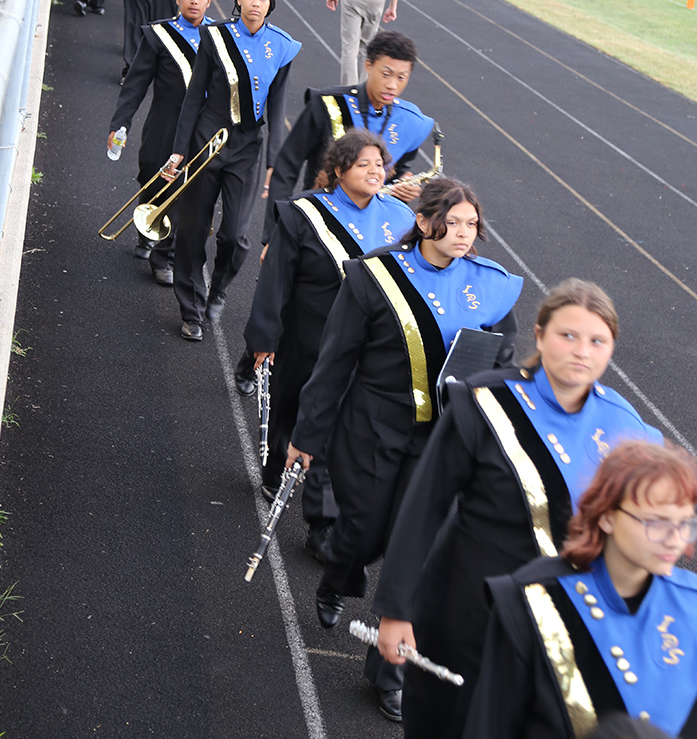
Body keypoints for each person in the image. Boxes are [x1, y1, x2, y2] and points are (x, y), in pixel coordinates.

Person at [373, 279, 663, 735]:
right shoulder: (483, 400)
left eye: (596, 341)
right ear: (540, 334)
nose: (581, 351)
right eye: (568, 335)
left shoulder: (627, 426)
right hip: (467, 610)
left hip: (561, 626)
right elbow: (424, 507)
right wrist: (396, 610)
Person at [287, 177, 523, 722]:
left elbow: (507, 360)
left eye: (471, 225)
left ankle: (389, 672)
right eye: (453, 223)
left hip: (442, 441)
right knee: (365, 532)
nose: (464, 234)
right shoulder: (373, 278)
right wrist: (307, 435)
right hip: (372, 429)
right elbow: (335, 360)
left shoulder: (490, 285)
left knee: (416, 553)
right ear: (423, 222)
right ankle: (338, 570)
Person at [244, 129, 415, 548]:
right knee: (290, 406)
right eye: (364, 164)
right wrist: (264, 336)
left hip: (362, 343)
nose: (376, 171)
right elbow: (276, 278)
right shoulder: (305, 212)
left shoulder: (399, 217)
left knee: (341, 424)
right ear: (339, 171)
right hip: (306, 331)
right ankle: (274, 467)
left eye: (380, 165)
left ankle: (321, 520)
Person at [463, 441, 697, 739]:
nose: (675, 539)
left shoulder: (691, 604)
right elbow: (492, 724)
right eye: (657, 522)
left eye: (685, 524)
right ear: (606, 515)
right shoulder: (535, 596)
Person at [162, 0, 301, 342]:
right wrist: (179, 149)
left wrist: (275, 162)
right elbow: (194, 97)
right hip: (207, 141)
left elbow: (278, 107)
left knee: (236, 237)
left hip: (247, 149)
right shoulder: (215, 37)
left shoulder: (282, 47)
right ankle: (191, 311)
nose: (255, 3)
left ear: (270, 4)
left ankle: (218, 289)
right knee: (192, 230)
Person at [262, 30, 436, 246]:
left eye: (401, 77)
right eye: (386, 74)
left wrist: (404, 188)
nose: (393, 85)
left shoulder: (411, 123)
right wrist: (274, 235)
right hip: (317, 227)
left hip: (371, 237)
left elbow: (396, 176)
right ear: (368, 65)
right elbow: (287, 167)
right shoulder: (328, 104)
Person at [107, 0, 215, 276]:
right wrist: (120, 123)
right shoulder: (158, 34)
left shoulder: (220, 37)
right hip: (164, 120)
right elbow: (136, 84)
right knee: (153, 174)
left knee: (187, 186)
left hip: (201, 125)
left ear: (209, 1)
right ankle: (146, 229)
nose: (194, 1)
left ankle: (164, 254)